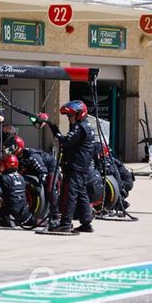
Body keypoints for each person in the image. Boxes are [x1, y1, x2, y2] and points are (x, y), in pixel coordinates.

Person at [48, 100, 95, 233]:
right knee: (81, 193)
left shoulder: (80, 128)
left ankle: (65, 223)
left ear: (79, 114)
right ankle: (86, 223)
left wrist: (55, 131)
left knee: (70, 194)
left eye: (71, 115)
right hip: (82, 166)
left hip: (76, 166)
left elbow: (67, 141)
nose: (69, 118)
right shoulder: (87, 126)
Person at [4, 135, 60, 226]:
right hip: (33, 169)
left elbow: (43, 171)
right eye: (7, 150)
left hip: (50, 168)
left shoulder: (31, 155)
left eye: (10, 149)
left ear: (17, 147)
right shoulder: (16, 158)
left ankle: (56, 215)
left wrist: (39, 185)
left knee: (49, 188)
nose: (9, 152)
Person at [0, 154, 36, 228]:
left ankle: (10, 220)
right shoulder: (21, 178)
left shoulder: (3, 178)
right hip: (24, 212)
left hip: (11, 212)